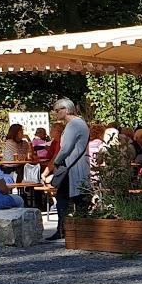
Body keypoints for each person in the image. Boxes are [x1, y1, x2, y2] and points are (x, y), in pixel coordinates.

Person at [42, 98, 89, 240]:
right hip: (77, 166)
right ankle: (78, 230)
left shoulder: (73, 125)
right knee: (77, 198)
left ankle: (65, 230)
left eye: (57, 110)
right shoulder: (79, 123)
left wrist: (55, 163)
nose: (55, 113)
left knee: (66, 198)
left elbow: (65, 148)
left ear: (66, 110)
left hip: (72, 168)